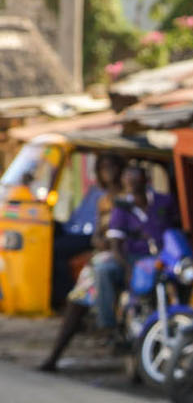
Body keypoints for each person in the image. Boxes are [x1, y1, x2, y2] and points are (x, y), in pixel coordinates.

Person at [37, 153, 125, 373]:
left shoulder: (131, 197)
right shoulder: (103, 199)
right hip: (106, 254)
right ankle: (55, 356)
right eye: (105, 167)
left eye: (113, 165)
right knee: (77, 300)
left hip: (127, 256)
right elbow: (97, 235)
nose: (109, 171)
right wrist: (102, 243)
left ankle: (109, 328)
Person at [96, 162, 182, 332]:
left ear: (146, 179)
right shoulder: (121, 207)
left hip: (164, 256)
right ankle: (108, 325)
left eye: (134, 176)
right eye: (127, 176)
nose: (130, 180)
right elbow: (116, 244)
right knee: (103, 270)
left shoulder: (163, 201)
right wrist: (127, 267)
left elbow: (177, 228)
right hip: (133, 257)